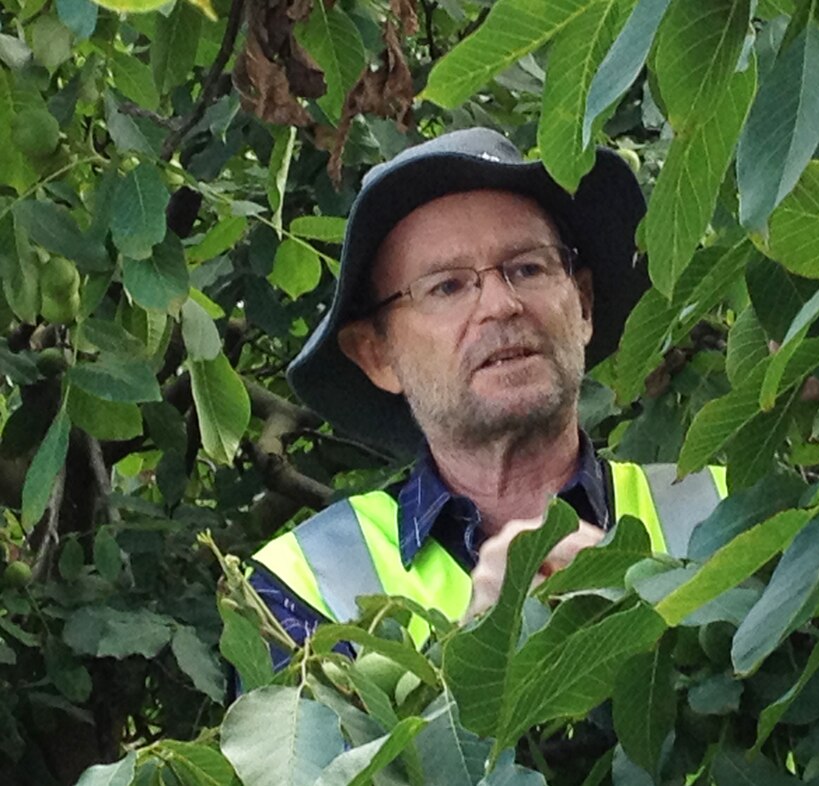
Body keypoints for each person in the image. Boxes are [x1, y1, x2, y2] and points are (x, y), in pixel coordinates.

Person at [248, 128, 726, 653]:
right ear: (376, 355)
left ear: (583, 305)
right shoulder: (304, 585)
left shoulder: (725, 508)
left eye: (528, 267)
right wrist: (483, 656)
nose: (501, 304)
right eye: (447, 286)